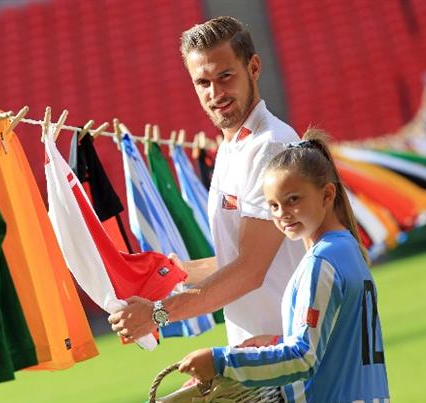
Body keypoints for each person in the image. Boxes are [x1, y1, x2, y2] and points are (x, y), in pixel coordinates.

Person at [109, 16, 305, 346]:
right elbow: (242, 259)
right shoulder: (233, 147)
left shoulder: (269, 146)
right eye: (203, 82)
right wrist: (173, 273)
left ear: (254, 68)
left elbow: (250, 269)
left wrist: (157, 314)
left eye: (225, 76)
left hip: (292, 347)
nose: (216, 93)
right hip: (266, 349)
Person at [178, 130, 391, 403]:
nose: (282, 214)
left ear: (327, 194)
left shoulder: (321, 261)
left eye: (293, 200)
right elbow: (336, 343)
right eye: (273, 205)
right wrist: (275, 343)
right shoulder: (348, 248)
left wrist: (219, 361)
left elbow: (303, 359)